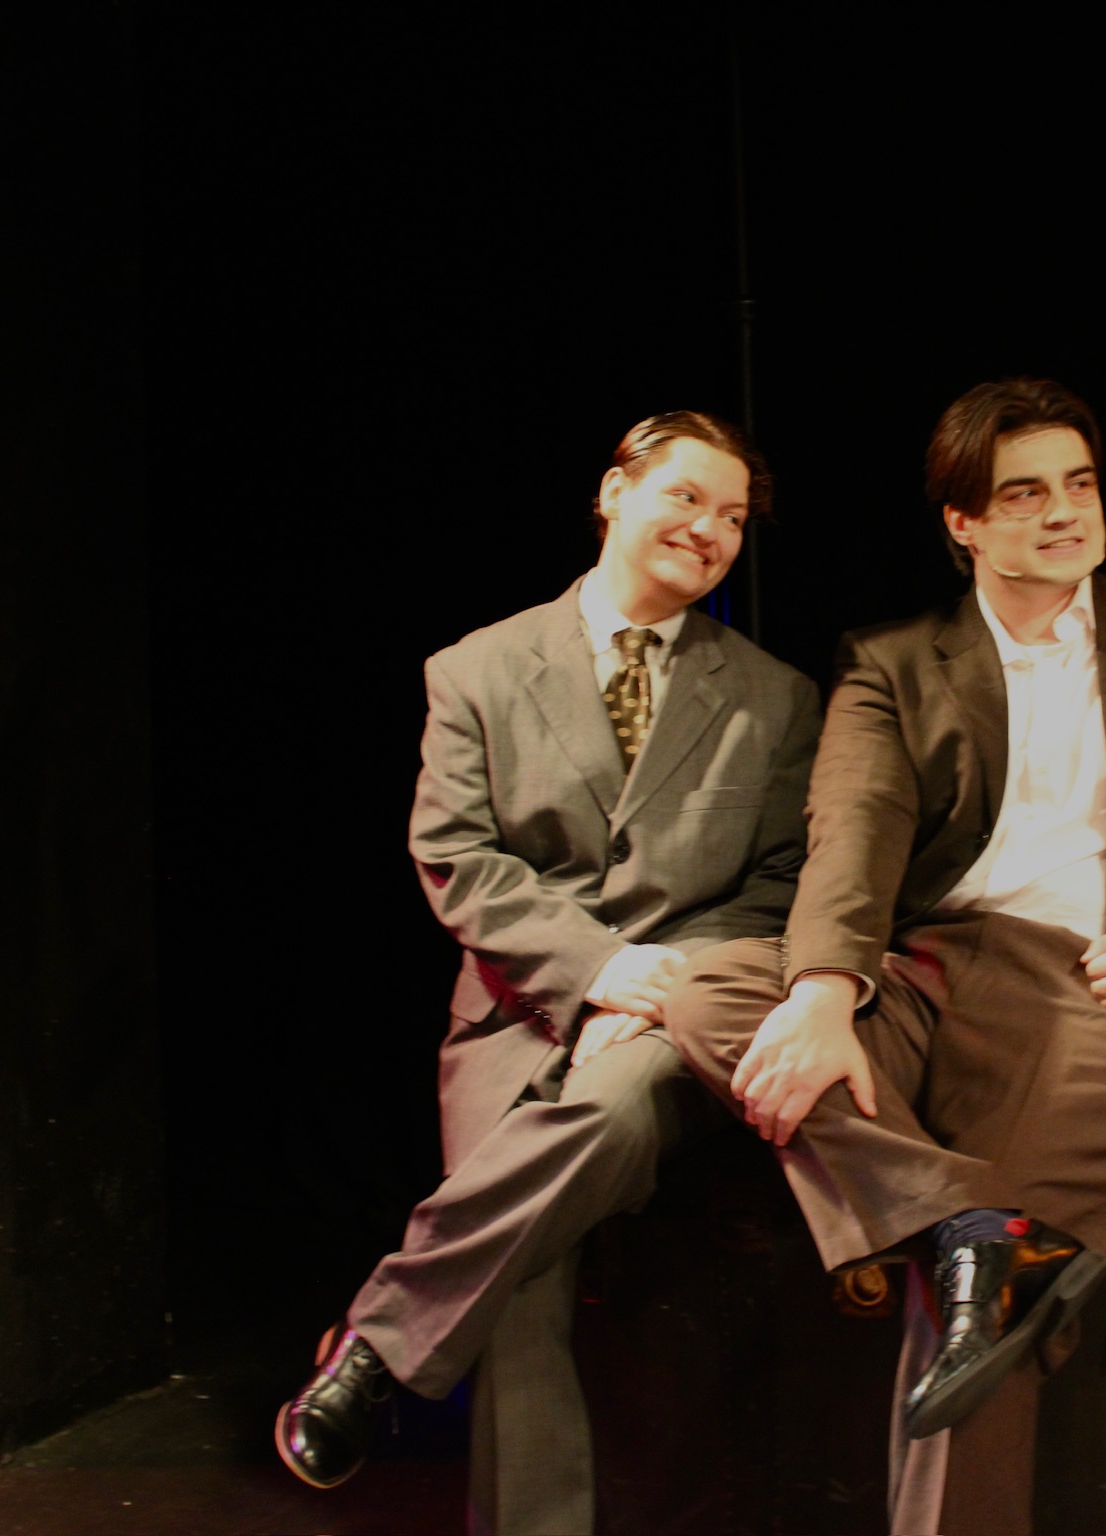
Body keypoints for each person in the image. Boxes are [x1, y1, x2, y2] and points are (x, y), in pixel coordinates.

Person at [662, 379, 1106, 1535]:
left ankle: (972, 1238)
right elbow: (856, 828)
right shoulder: (892, 658)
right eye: (1024, 493)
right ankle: (962, 1223)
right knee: (713, 989)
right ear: (962, 523)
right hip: (927, 974)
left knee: (970, 1313)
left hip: (1093, 993)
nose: (1065, 512)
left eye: (1079, 484)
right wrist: (825, 993)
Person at [273, 411, 820, 1536]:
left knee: (613, 1105)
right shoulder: (476, 669)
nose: (711, 530)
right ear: (615, 491)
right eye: (687, 498)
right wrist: (597, 971)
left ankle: (377, 1343)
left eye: (732, 519)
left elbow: (776, 885)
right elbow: (458, 859)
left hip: (685, 1016)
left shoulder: (774, 697)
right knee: (520, 1268)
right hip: (519, 1014)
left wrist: (661, 986)